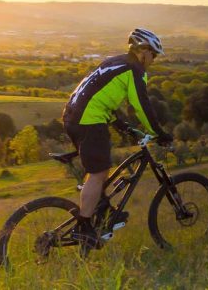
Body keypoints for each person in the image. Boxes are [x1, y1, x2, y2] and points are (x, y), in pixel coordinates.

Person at [62, 28, 174, 252]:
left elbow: (98, 95)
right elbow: (142, 106)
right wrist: (159, 133)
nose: (153, 60)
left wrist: (120, 124)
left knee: (98, 169)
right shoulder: (134, 70)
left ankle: (102, 210)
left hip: (72, 116)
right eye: (153, 55)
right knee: (98, 173)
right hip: (89, 120)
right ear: (144, 52)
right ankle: (84, 226)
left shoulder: (114, 61)